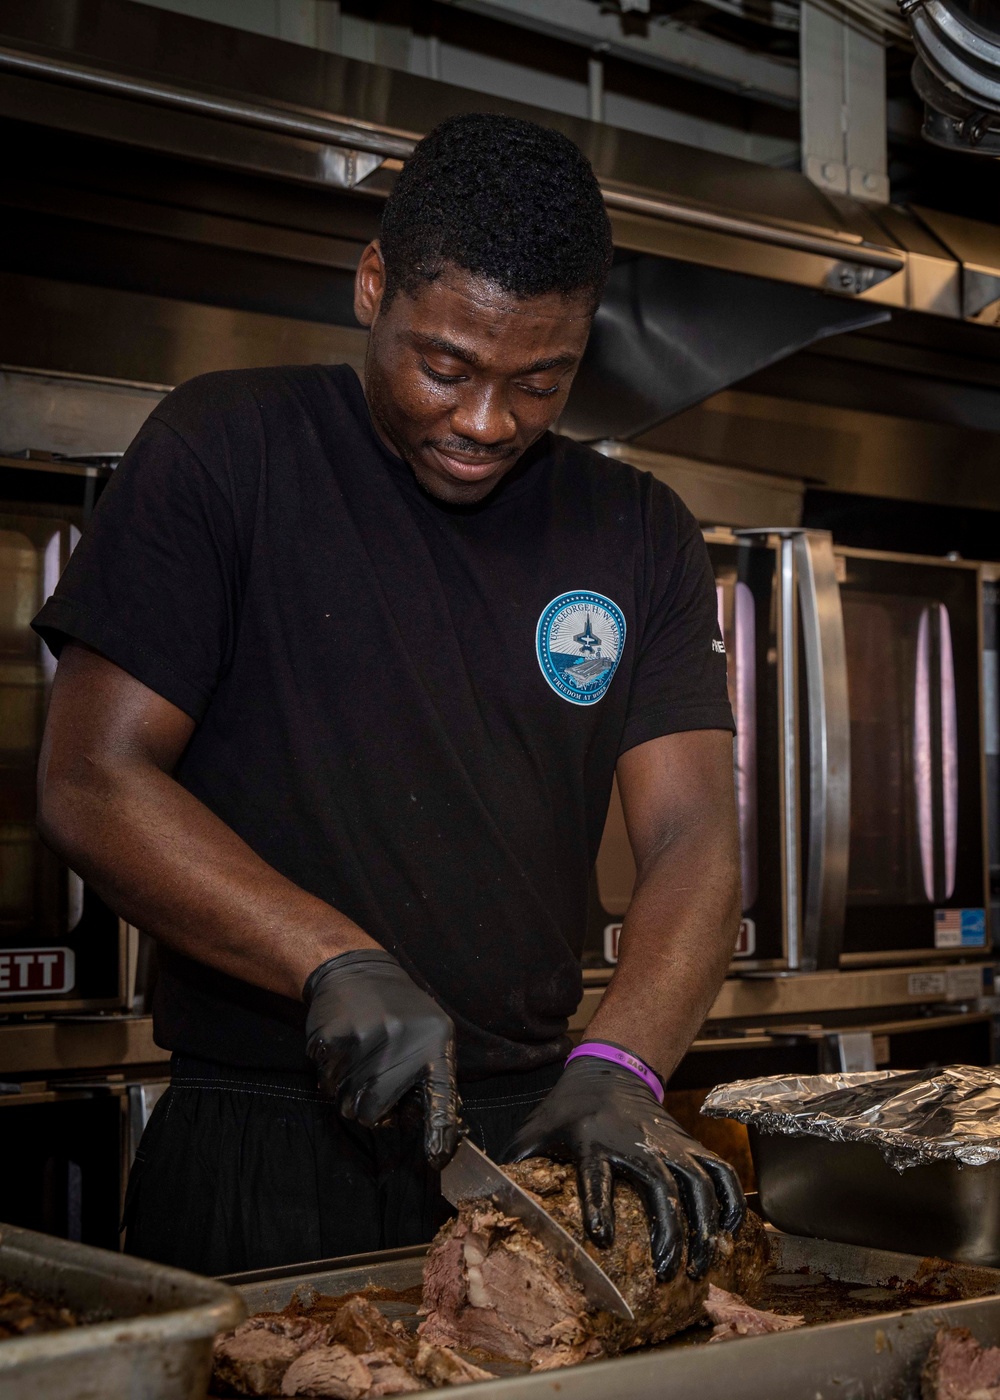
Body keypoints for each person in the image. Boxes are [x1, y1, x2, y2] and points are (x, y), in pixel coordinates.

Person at [34, 111, 744, 1281]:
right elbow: (89, 777)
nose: (484, 422)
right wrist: (329, 958)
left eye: (539, 381)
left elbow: (692, 835)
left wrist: (623, 1065)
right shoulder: (227, 449)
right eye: (446, 364)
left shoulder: (637, 532)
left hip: (533, 1128)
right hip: (258, 1132)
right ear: (373, 286)